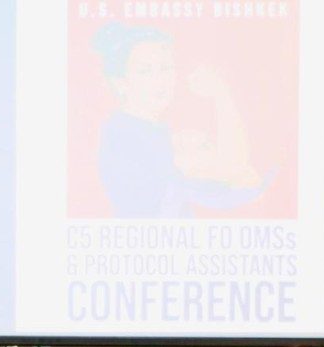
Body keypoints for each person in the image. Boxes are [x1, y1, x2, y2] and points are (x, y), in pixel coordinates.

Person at [90, 21, 268, 218]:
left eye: (166, 68)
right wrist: (221, 95)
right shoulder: (125, 135)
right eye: (145, 71)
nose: (160, 80)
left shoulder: (155, 131)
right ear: (121, 83)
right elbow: (235, 171)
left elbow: (247, 179)